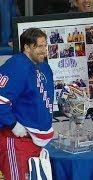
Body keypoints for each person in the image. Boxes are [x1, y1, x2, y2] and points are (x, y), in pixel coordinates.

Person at [0, 28, 54, 180]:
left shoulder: (44, 66)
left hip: (36, 142)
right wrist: (13, 124)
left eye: (45, 45)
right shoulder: (16, 65)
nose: (44, 50)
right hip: (17, 141)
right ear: (27, 47)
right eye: (40, 46)